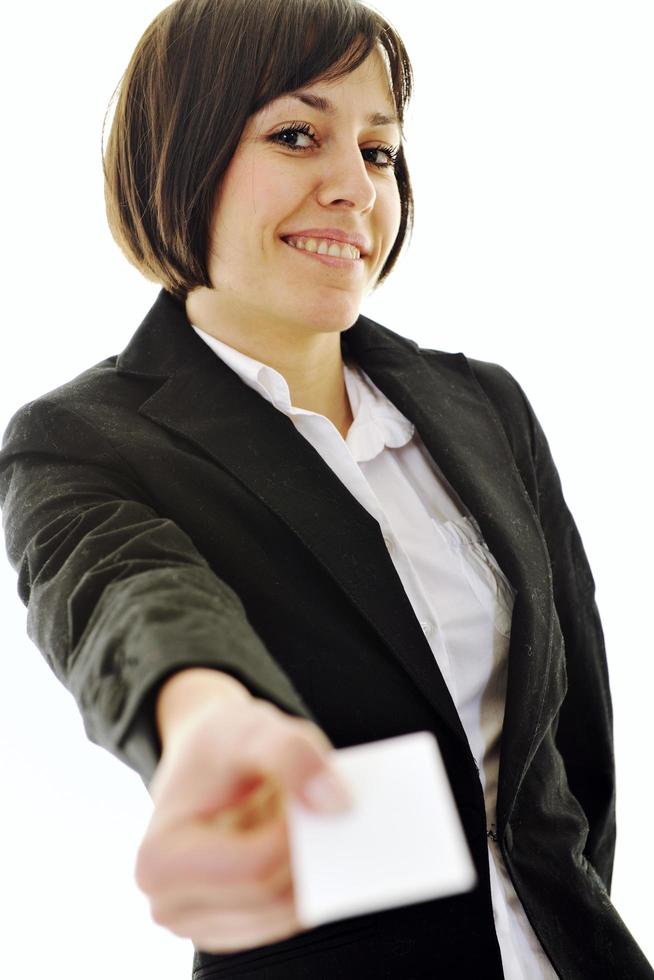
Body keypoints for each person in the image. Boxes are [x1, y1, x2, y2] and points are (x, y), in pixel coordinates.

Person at [0, 0, 651, 977]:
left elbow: (574, 743)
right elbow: (132, 599)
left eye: (381, 152)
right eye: (297, 134)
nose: (355, 187)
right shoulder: (84, 438)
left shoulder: (484, 405)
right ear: (184, 156)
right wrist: (213, 721)